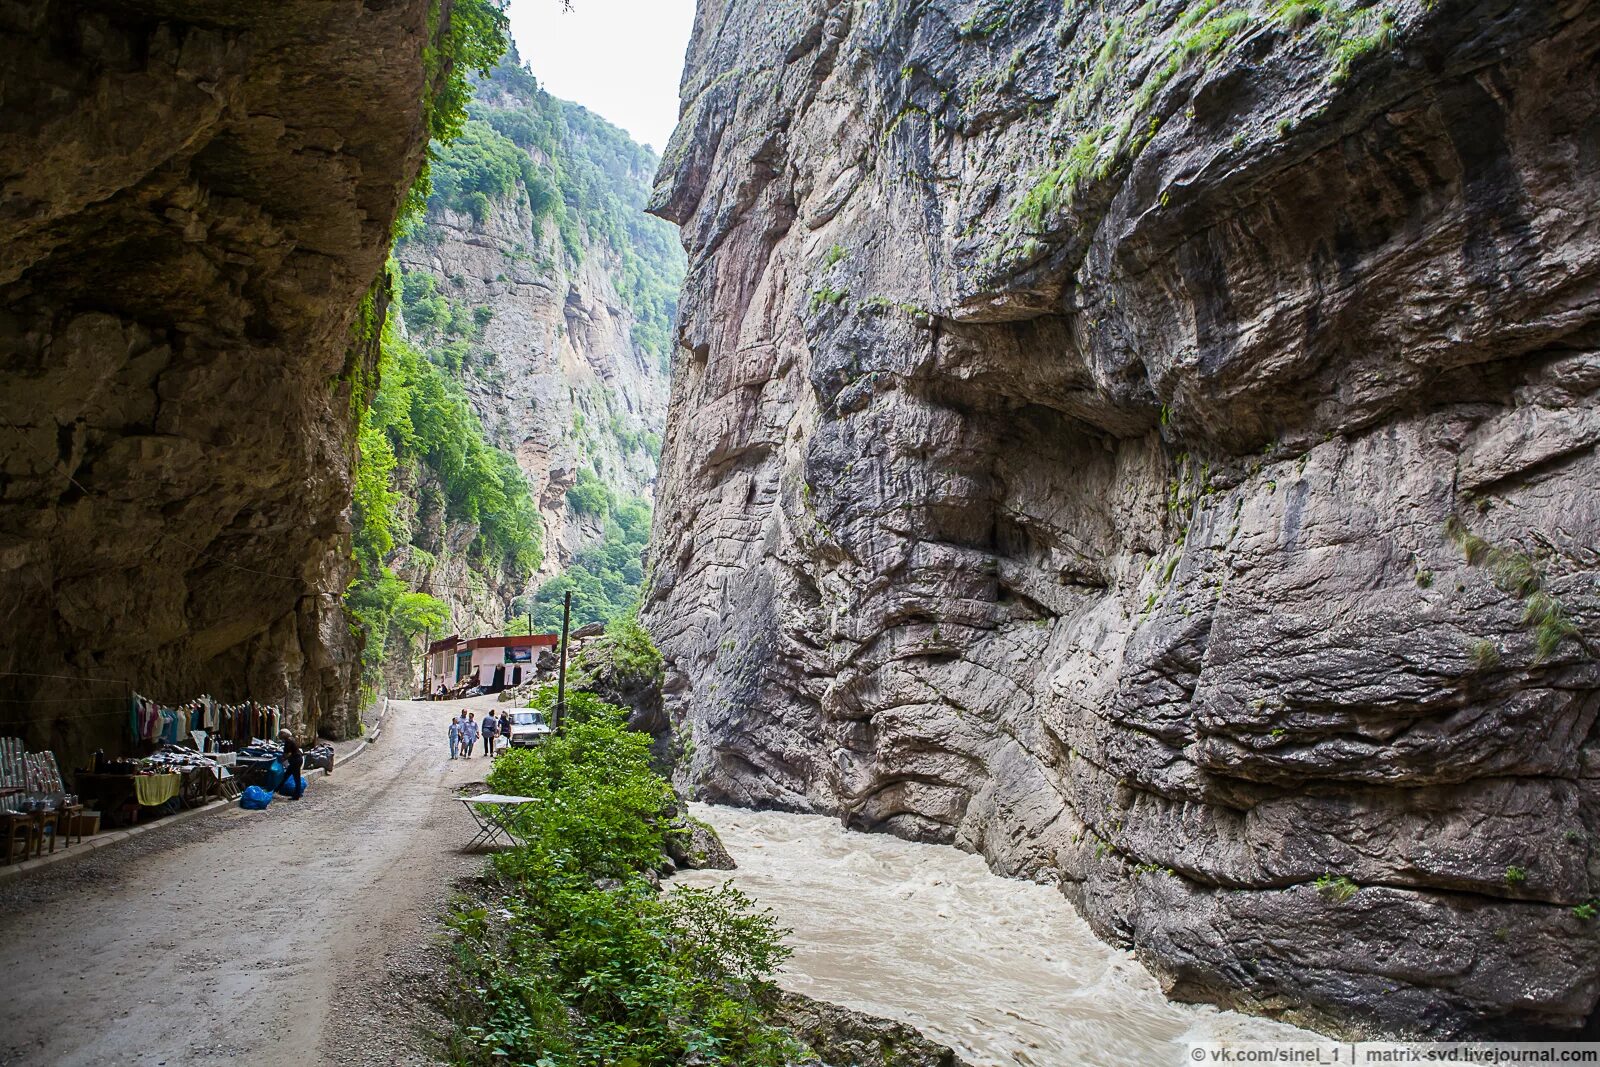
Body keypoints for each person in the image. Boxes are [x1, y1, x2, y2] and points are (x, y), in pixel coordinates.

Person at [278, 729, 305, 800]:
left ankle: (296, 795)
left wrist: (281, 759)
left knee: (296, 778)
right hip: (297, 760)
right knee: (286, 776)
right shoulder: (291, 740)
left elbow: (288, 753)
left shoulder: (288, 741)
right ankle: (276, 789)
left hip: (295, 760)